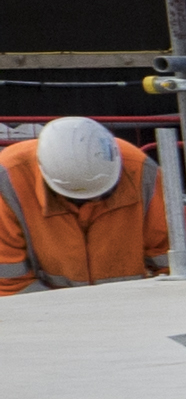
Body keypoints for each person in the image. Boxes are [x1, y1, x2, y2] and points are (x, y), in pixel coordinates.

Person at [2, 115, 176, 293]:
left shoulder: (139, 170)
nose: (91, 203)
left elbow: (173, 261)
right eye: (77, 199)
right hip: (46, 313)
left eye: (102, 194)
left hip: (131, 307)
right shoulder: (8, 181)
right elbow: (9, 284)